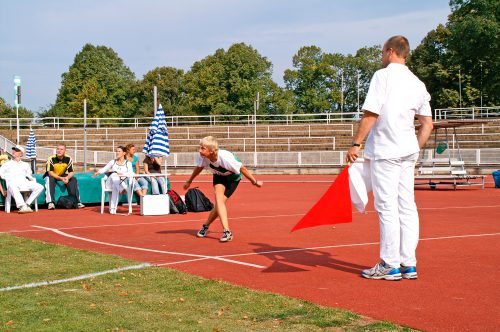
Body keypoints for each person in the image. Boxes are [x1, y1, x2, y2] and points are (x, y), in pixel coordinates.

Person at [346, 35, 434, 281]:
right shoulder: (417, 82)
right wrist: (415, 149)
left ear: (391, 51)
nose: (381, 55)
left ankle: (389, 264)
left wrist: (356, 144)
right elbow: (427, 124)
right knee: (407, 206)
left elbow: (371, 114)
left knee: (386, 207)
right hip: (407, 151)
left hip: (386, 150)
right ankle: (409, 263)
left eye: (383, 51)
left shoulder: (382, 76)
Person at [183, 136, 263, 242]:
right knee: (219, 200)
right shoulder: (203, 157)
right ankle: (227, 231)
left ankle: (205, 226)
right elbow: (199, 168)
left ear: (211, 151)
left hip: (233, 178)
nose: (200, 150)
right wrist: (189, 181)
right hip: (219, 177)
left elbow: (242, 168)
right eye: (200, 147)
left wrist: (255, 182)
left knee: (219, 205)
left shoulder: (226, 158)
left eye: (203, 148)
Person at [0, 145, 43, 213]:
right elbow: (0, 175)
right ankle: (22, 206)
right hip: (13, 183)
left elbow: (29, 175)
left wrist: (32, 180)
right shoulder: (6, 164)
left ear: (21, 154)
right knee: (12, 186)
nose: (14, 151)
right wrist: (3, 189)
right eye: (13, 150)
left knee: (40, 187)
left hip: (24, 183)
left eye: (16, 151)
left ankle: (27, 204)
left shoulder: (25, 164)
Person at [93, 146, 133, 214]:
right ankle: (121, 189)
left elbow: (130, 173)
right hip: (110, 183)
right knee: (114, 175)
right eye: (116, 151)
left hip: (119, 183)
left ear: (124, 153)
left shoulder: (128, 163)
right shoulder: (113, 162)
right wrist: (98, 172)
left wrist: (121, 174)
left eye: (119, 151)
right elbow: (105, 169)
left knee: (115, 184)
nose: (117, 152)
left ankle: (113, 208)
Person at [44, 144, 85, 210]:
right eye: (58, 149)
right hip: (52, 175)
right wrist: (61, 178)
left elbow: (71, 172)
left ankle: (77, 202)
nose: (59, 151)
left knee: (73, 179)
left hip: (62, 175)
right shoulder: (51, 159)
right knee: (50, 178)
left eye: (61, 149)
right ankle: (51, 203)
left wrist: (67, 178)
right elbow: (50, 173)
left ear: (65, 151)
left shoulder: (68, 159)